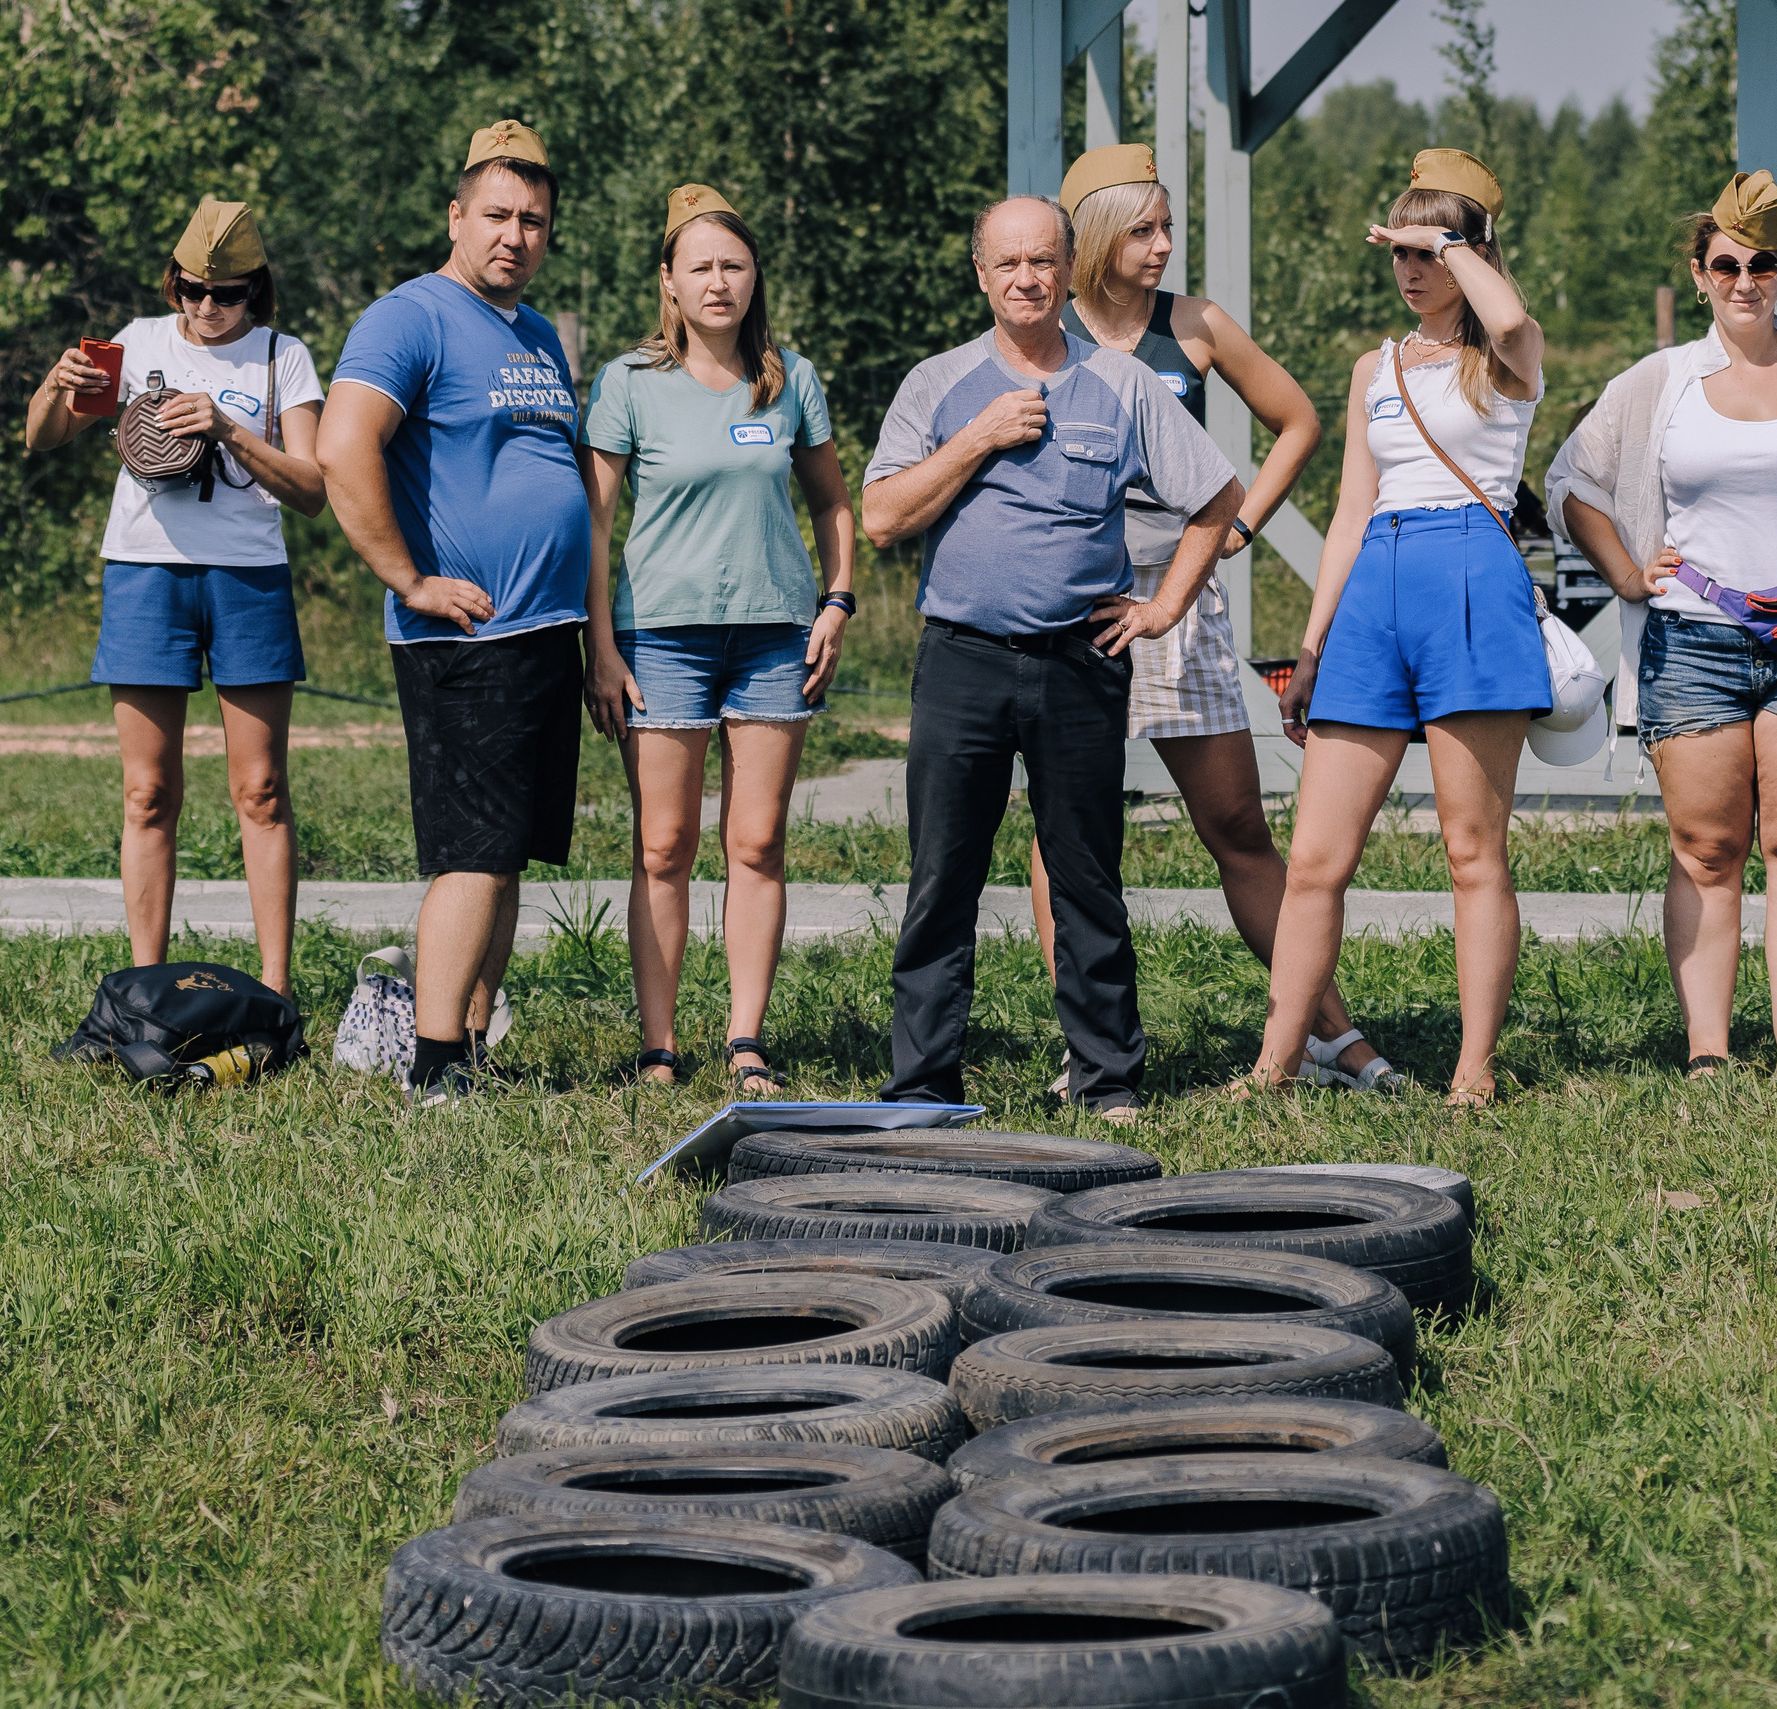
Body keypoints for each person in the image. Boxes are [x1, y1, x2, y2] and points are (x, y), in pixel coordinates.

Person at [1021, 143, 1397, 1092]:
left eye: (1168, 226)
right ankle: (1089, 1045)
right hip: (1072, 601)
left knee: (1235, 821)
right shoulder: (1043, 330)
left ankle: (1325, 1033)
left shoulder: (1193, 325)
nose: (1162, 245)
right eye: (1143, 229)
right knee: (1065, 829)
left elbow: (1300, 420)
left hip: (1179, 592)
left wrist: (1241, 523)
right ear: (1098, 236)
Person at [862, 195, 1243, 1120]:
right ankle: (924, 1084)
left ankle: (1109, 1077)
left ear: (1069, 269)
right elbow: (880, 518)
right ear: (982, 275)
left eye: (1044, 262)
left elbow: (1219, 498)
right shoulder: (938, 384)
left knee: (1086, 874)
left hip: (1081, 658)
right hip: (963, 657)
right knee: (942, 875)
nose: (1028, 279)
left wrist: (1161, 608)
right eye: (1008, 265)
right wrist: (978, 437)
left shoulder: (1122, 385)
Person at [1553, 171, 1777, 1081]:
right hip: (1696, 640)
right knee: (1707, 851)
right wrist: (1628, 574)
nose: (1745, 280)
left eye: (1762, 264)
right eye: (1727, 264)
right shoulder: (1661, 379)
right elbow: (1573, 482)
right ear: (1700, 271)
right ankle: (1708, 1052)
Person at [1246, 149, 1544, 1108]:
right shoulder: (1373, 366)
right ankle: (1274, 1066)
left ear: (1468, 252)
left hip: (1472, 575)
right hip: (1376, 584)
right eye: (1401, 252)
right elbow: (1348, 507)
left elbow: (1507, 316)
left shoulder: (1506, 353)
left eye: (1429, 252)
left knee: (1472, 851)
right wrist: (1315, 639)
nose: (1412, 270)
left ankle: (1473, 1069)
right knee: (1316, 858)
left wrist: (1451, 244)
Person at [315, 120, 590, 1108]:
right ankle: (434, 1067)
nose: (515, 236)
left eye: (534, 221)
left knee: (505, 848)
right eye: (497, 216)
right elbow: (343, 450)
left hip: (541, 631)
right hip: (464, 635)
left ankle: (470, 1042)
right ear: (456, 215)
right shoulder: (411, 316)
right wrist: (410, 576)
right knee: (473, 849)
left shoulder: (535, 332)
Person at [579, 185, 857, 1092]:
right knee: (664, 846)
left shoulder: (790, 378)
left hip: (776, 634)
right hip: (660, 639)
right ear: (668, 281)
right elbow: (595, 524)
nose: (718, 282)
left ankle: (745, 1039)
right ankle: (659, 1046)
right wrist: (602, 648)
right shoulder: (629, 382)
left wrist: (838, 600)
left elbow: (831, 502)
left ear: (753, 277)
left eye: (733, 265)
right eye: (699, 266)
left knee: (759, 843)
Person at [22, 197, 324, 996]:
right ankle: (145, 987)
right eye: (191, 290)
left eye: (226, 294)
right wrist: (57, 387)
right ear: (174, 283)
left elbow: (312, 488)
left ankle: (274, 989)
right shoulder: (137, 342)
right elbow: (41, 436)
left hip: (247, 578)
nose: (206, 308)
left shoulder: (280, 357)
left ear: (256, 290)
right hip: (144, 571)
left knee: (259, 789)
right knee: (147, 790)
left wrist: (229, 429)